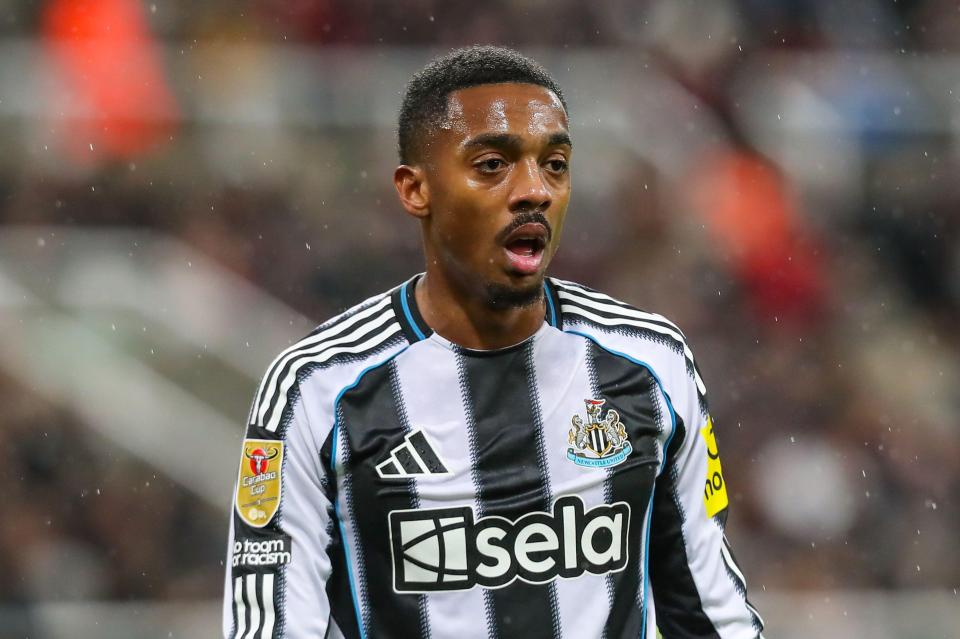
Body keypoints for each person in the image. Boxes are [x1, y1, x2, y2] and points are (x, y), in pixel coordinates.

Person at [224, 45, 764, 639]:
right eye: (492, 165)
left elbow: (713, 618)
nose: (534, 190)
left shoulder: (650, 362)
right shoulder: (317, 388)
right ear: (415, 190)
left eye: (554, 164)